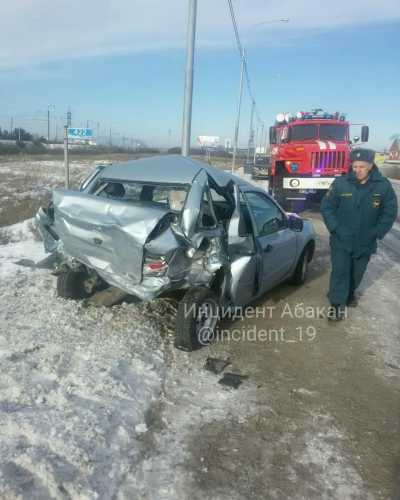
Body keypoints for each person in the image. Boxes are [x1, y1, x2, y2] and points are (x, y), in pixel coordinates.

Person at [321, 148, 398, 321]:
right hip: (341, 238)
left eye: (362, 166)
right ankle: (336, 304)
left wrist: (378, 232)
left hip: (366, 240)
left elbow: (390, 211)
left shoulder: (382, 185)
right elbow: (327, 207)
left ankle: (350, 293)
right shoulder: (341, 183)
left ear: (371, 166)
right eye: (354, 166)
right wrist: (335, 228)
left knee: (357, 272)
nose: (357, 170)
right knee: (340, 271)